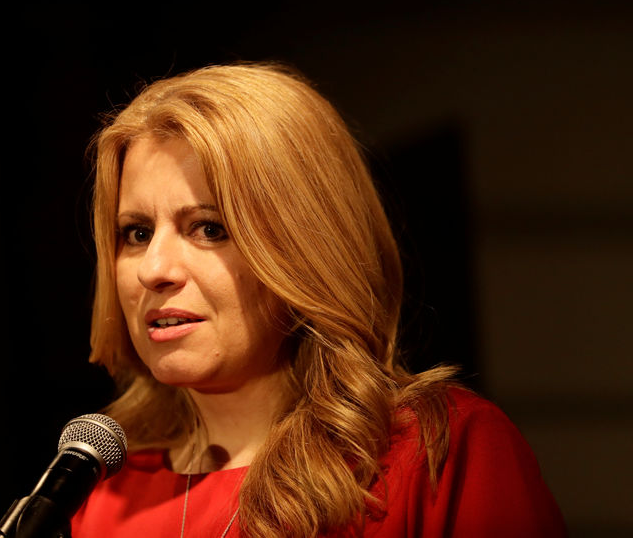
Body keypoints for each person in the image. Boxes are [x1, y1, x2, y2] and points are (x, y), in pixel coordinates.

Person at [70, 63, 566, 538]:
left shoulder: (436, 452)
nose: (155, 269)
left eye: (209, 228)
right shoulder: (104, 497)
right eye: (135, 233)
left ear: (305, 249)